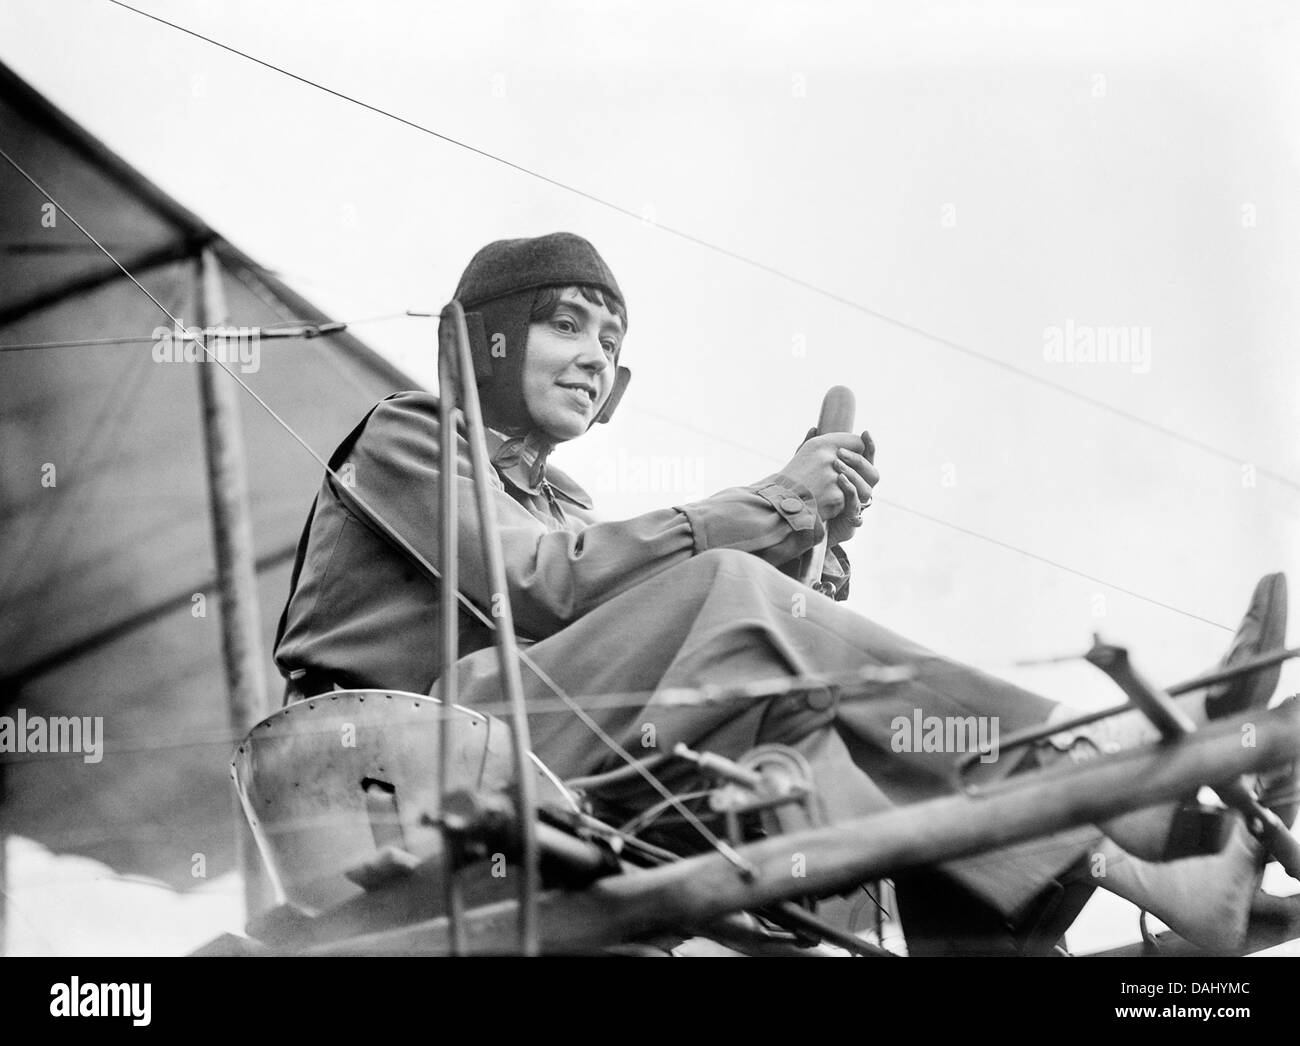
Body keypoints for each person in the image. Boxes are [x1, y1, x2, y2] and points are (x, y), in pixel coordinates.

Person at [274, 231, 1296, 955]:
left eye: (609, 341)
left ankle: (1143, 875)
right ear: (487, 337)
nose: (593, 357)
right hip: (395, 757)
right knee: (729, 584)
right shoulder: (415, 432)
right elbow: (547, 586)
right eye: (566, 325)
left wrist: (806, 539)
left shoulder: (564, 494)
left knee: (803, 721)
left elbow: (653, 624)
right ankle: (1087, 754)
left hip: (536, 750)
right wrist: (760, 508)